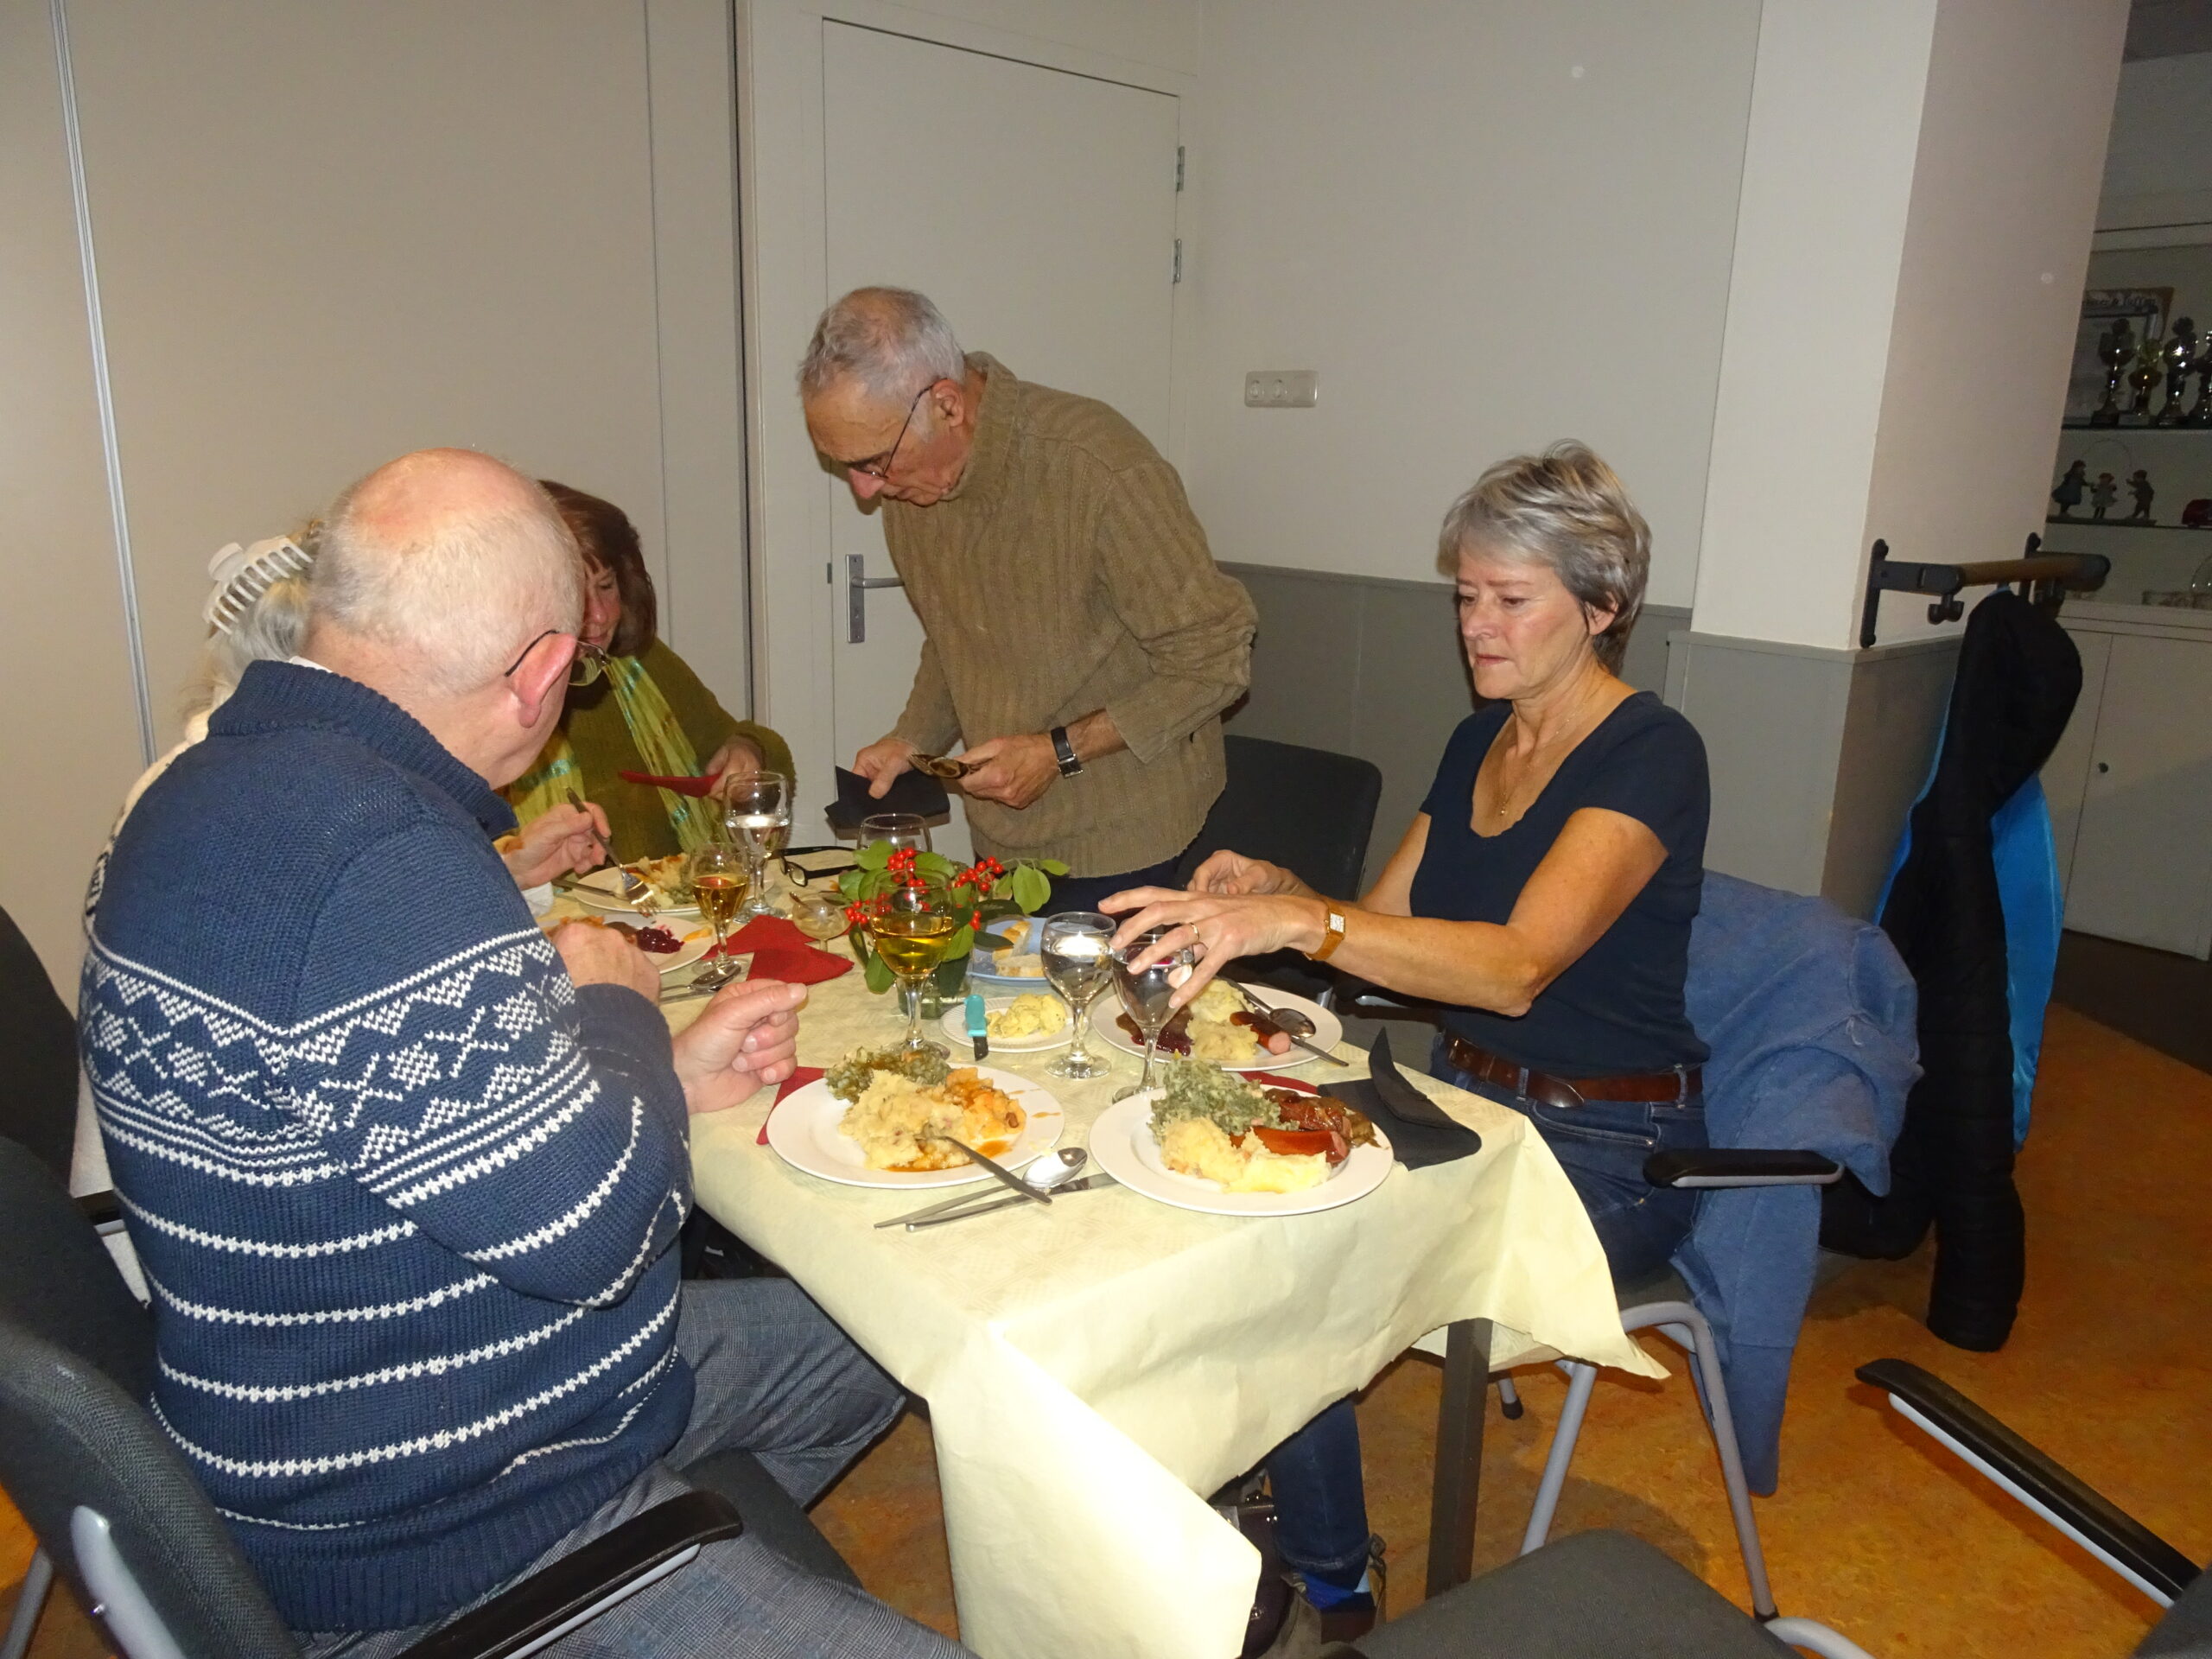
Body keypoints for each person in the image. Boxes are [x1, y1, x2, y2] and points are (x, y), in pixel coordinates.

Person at [79, 448, 967, 1659]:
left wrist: (661, 1071)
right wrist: (616, 1009)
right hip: (445, 1532)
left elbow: (400, 1112)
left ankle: (702, 1557)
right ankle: (637, 1583)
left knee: (877, 1341)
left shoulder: (197, 789)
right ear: (545, 673)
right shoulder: (385, 857)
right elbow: (599, 1239)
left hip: (395, 1403)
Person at [1104, 442, 1711, 1640]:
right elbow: (1380, 932)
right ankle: (1296, 1515)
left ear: (1602, 607)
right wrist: (1281, 893)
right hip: (1467, 1105)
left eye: (1510, 600)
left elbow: (1516, 968)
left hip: (1606, 1146)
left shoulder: (1652, 752)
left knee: (1306, 1254)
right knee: (1240, 1196)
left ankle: (1331, 1580)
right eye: (1465, 597)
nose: (1476, 627)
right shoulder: (1478, 740)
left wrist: (1302, 922)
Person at [799, 287, 1255, 909]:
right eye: (844, 465)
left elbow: (1217, 660)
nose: (864, 490)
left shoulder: (1097, 468)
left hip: (1133, 836)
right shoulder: (916, 485)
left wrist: (1058, 753)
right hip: (1005, 839)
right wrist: (912, 739)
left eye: (874, 461)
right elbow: (955, 635)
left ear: (947, 405)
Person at [505, 481, 794, 861]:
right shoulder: (486, 703)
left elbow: (760, 753)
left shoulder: (640, 663)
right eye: (577, 595)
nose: (599, 615)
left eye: (606, 586)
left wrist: (747, 750)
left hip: (676, 896)